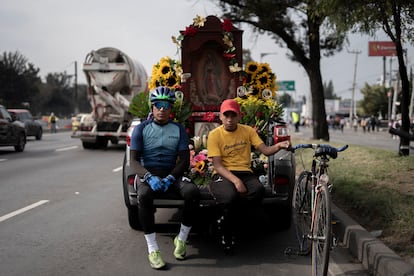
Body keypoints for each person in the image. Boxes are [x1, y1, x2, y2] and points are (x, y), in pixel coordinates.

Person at [207, 99, 290, 254]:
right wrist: (236, 181)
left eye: (233, 115)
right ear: (221, 117)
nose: (230, 119)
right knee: (230, 196)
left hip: (245, 172)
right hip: (223, 173)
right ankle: (227, 234)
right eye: (226, 115)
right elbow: (217, 165)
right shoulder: (214, 135)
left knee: (258, 190)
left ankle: (225, 221)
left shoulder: (248, 131)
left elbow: (265, 150)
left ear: (239, 116)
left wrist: (279, 146)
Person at [129, 86, 200, 270]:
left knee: (192, 192)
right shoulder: (141, 129)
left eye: (166, 105)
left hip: (172, 173)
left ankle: (182, 239)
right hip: (148, 173)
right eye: (158, 105)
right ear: (152, 107)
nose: (162, 109)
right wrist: (148, 177)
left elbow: (184, 161)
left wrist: (170, 178)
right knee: (143, 196)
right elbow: (134, 161)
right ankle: (153, 249)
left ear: (171, 109)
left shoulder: (178, 129)